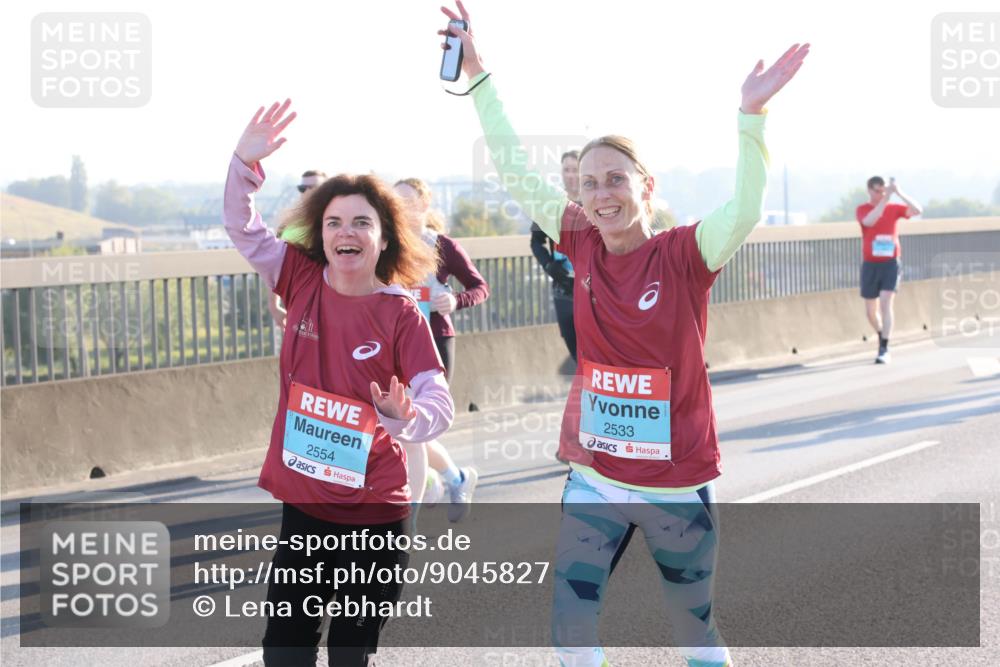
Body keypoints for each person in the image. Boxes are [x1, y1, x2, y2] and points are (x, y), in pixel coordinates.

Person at [438, 3, 808, 665]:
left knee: (694, 630)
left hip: (675, 480)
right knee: (572, 624)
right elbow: (516, 169)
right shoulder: (578, 239)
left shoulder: (685, 252)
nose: (601, 194)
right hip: (596, 476)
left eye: (616, 180)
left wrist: (751, 118)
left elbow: (747, 206)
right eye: (589, 184)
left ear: (646, 187)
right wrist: (480, 77)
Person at [223, 99, 454, 666]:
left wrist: (409, 418)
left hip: (376, 512)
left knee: (349, 656)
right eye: (333, 222)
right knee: (285, 651)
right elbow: (242, 228)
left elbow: (438, 400)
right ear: (320, 234)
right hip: (306, 504)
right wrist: (242, 165)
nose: (344, 232)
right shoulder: (297, 278)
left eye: (360, 222)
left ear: (382, 238)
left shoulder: (400, 313)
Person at [394, 177, 489, 522]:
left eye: (407, 201)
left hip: (435, 341)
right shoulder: (385, 244)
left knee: (412, 427)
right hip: (395, 344)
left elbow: (479, 287)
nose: (400, 208)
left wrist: (455, 300)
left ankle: (419, 505)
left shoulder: (442, 245)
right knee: (399, 427)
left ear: (424, 205)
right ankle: (450, 478)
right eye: (394, 201)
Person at [855, 176, 922, 364]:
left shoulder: (894, 209)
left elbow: (917, 210)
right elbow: (869, 221)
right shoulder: (862, 209)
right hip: (870, 263)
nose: (881, 194)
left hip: (890, 262)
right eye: (877, 191)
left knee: (886, 301)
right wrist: (885, 199)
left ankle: (884, 346)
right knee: (870, 311)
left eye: (883, 191)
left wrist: (899, 192)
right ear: (869, 190)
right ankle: (881, 332)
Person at [530, 150, 579, 362]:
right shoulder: (552, 204)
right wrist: (549, 265)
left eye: (575, 170)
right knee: (574, 348)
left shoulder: (597, 202)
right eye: (566, 170)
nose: (570, 175)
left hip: (595, 289)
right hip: (563, 288)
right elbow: (536, 241)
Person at [268, 169, 328, 330]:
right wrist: (273, 306)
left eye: (314, 187)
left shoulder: (335, 223)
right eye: (302, 188)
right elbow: (275, 264)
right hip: (296, 305)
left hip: (329, 305)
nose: (307, 192)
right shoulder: (288, 224)